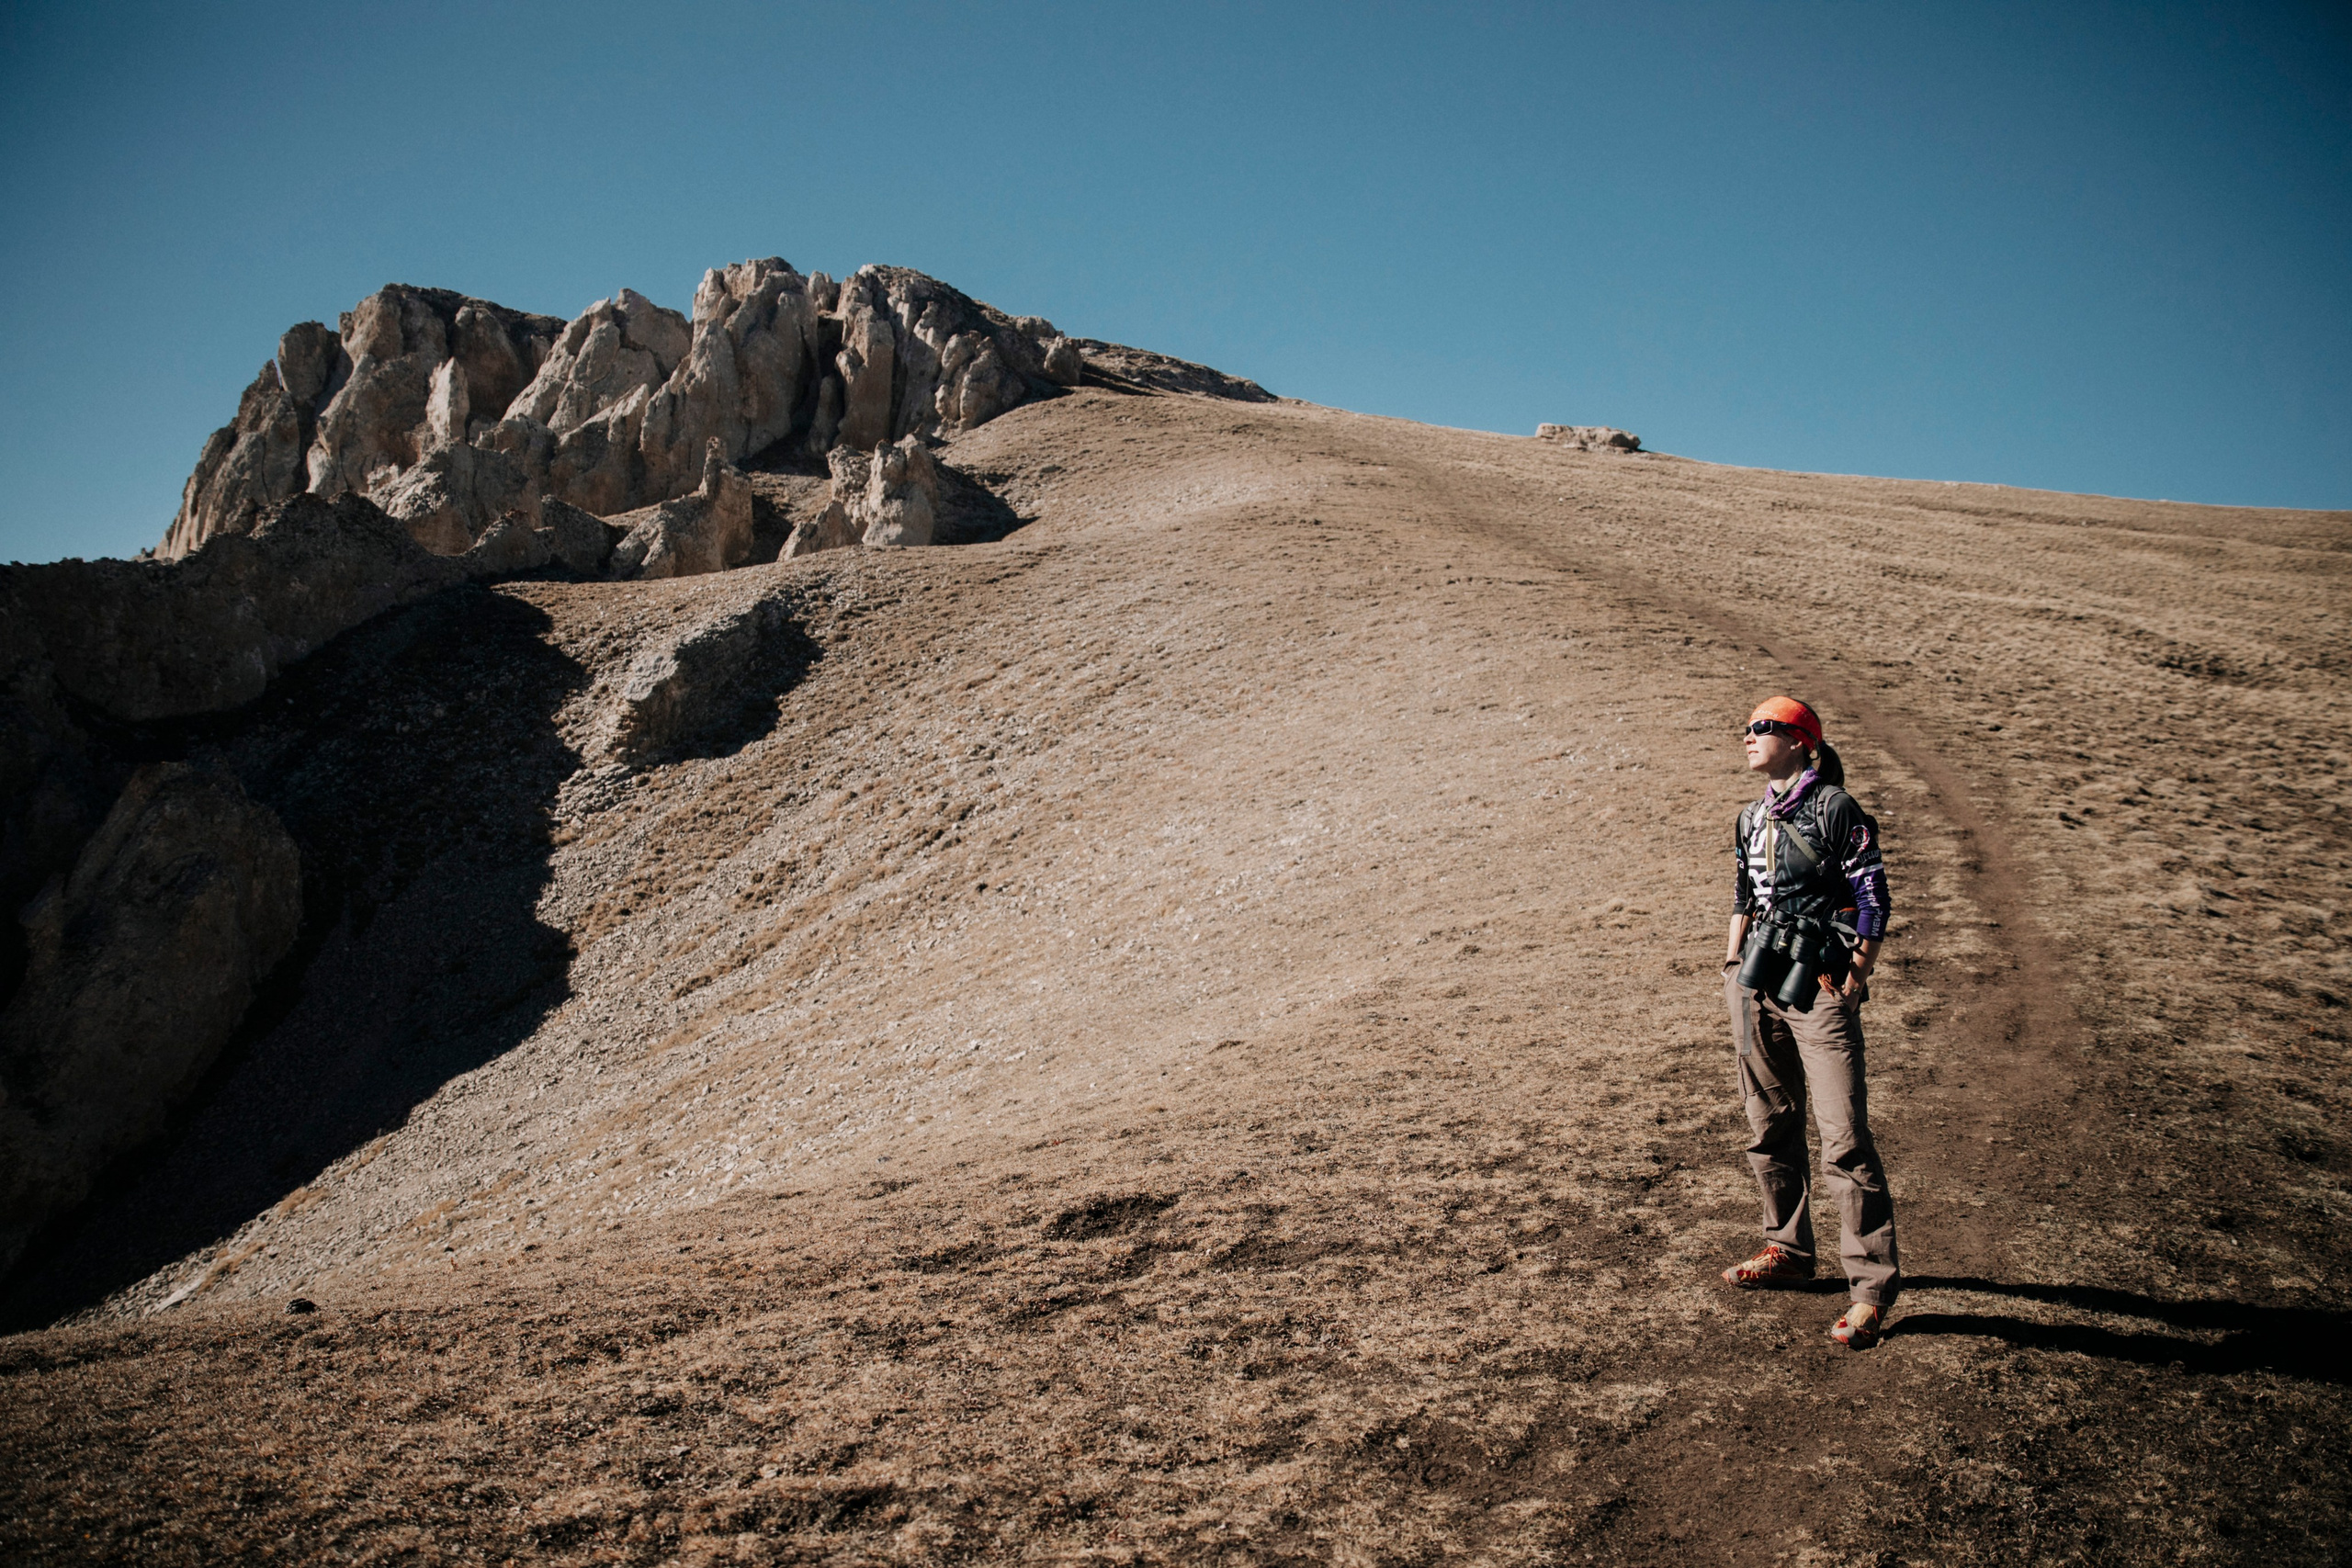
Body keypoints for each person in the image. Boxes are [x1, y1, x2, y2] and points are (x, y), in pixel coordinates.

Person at [1717, 696, 1899, 1348]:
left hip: (1818, 984)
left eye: (1763, 727)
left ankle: (1870, 1290)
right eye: (1746, 728)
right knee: (1768, 1124)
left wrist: (1858, 973)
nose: (1749, 736)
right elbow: (1743, 894)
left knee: (1843, 1137)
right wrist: (1732, 964)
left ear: (1802, 741)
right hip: (1755, 982)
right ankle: (1788, 1249)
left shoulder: (1834, 807)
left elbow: (1872, 893)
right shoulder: (1749, 816)